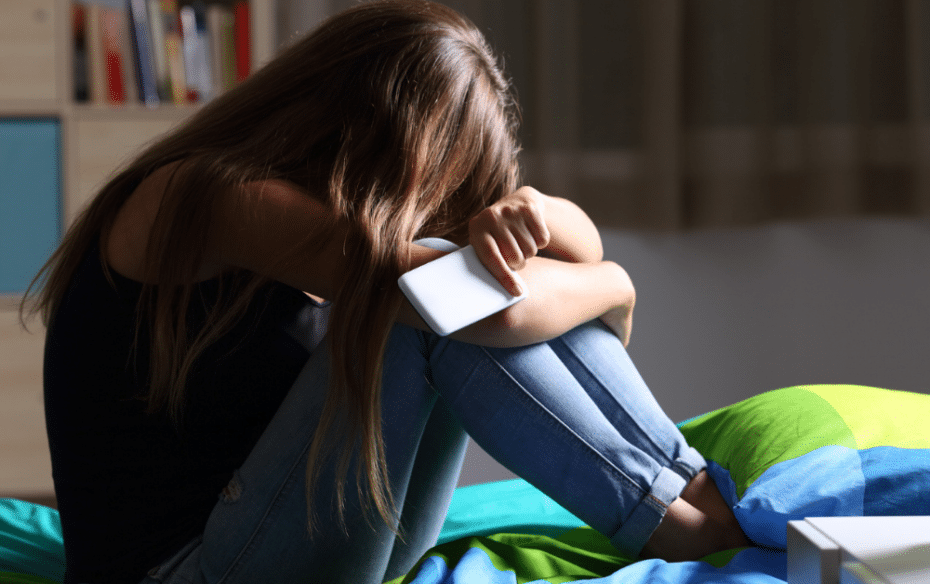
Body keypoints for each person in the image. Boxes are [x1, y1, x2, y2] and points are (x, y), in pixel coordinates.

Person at [22, 1, 750, 582]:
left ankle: (685, 491)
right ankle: (680, 521)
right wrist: (615, 286)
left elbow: (566, 251)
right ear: (371, 130)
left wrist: (528, 211)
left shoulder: (337, 221)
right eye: (437, 180)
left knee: (459, 283)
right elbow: (484, 308)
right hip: (183, 569)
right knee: (440, 300)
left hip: (304, 541)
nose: (433, 208)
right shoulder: (211, 197)